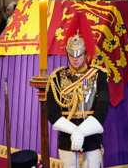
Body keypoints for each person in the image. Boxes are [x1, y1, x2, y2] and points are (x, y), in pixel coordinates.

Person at [46, 33, 109, 167]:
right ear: (67, 54)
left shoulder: (99, 75)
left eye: (79, 55)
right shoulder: (56, 77)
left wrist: (81, 132)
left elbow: (102, 109)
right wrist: (75, 132)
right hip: (67, 138)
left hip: (91, 137)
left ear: (85, 54)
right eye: (72, 55)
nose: (75, 59)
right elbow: (52, 112)